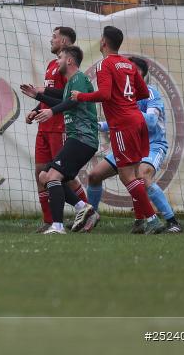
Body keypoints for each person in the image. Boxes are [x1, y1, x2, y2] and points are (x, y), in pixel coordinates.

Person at [72, 26, 165, 234]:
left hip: (123, 124)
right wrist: (125, 99)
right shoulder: (128, 64)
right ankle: (141, 220)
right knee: (133, 173)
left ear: (104, 42)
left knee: (126, 176)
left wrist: (80, 96)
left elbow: (104, 94)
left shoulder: (104, 64)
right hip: (137, 121)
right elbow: (141, 92)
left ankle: (152, 220)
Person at [82, 56, 181, 233]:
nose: (124, 71)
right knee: (94, 175)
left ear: (139, 73)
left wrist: (129, 112)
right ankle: (91, 216)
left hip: (153, 145)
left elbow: (151, 122)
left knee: (142, 176)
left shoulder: (150, 93)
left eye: (130, 69)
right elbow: (116, 121)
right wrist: (97, 125)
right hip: (130, 142)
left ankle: (171, 221)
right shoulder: (125, 96)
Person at [20, 26, 89, 232]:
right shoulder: (53, 64)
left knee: (62, 176)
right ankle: (49, 220)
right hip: (44, 126)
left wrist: (42, 97)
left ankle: (85, 214)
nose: (51, 40)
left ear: (65, 43)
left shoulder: (67, 69)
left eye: (55, 37)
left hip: (59, 126)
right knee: (40, 173)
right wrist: (35, 109)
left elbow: (65, 96)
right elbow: (48, 97)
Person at [34, 46, 101, 234]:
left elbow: (74, 102)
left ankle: (57, 226)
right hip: (77, 139)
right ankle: (82, 207)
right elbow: (63, 102)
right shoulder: (71, 83)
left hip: (83, 138)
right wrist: (38, 97)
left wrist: (52, 111)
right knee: (44, 176)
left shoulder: (78, 78)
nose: (57, 61)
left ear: (70, 61)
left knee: (53, 176)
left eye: (60, 58)